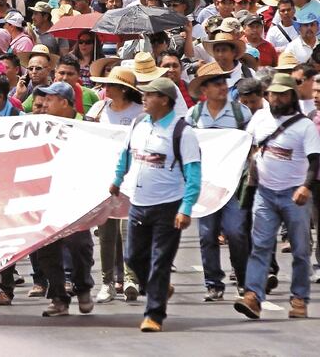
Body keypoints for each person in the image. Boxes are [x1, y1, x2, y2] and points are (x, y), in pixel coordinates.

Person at [110, 77, 202, 332]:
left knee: (161, 260)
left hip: (168, 206)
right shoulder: (139, 123)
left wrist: (186, 208)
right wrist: (117, 179)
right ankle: (159, 287)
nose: (144, 99)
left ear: (164, 99)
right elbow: (127, 154)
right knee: (133, 257)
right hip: (139, 203)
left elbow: (193, 174)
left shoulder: (182, 132)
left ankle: (154, 314)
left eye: (150, 95)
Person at [234, 74, 320, 321]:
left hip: (295, 195)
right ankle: (253, 297)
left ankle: (299, 298)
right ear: (267, 95)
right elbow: (246, 143)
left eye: (283, 94)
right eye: (273, 93)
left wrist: (305, 186)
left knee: (301, 250)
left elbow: (315, 160)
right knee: (260, 246)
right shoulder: (259, 118)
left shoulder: (304, 126)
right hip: (265, 193)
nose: (277, 98)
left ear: (292, 95)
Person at [186, 62, 251, 301]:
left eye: (224, 81)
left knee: (236, 231)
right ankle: (213, 283)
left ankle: (243, 279)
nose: (222, 87)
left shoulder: (240, 113)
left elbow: (249, 146)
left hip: (232, 184)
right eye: (216, 83)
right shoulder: (193, 116)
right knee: (207, 234)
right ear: (204, 89)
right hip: (205, 184)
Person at [36, 81, 95, 317]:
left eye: (50, 99)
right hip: (49, 195)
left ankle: (83, 288)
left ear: (64, 102)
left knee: (79, 245)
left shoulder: (88, 126)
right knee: (46, 249)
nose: (45, 104)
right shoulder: (41, 126)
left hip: (77, 195)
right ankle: (59, 297)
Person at [87, 67, 144, 303]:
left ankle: (131, 279)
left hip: (133, 177)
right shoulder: (98, 109)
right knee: (107, 232)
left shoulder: (141, 113)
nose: (105, 88)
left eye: (110, 85)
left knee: (129, 229)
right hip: (105, 176)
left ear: (124, 89)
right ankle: (107, 283)